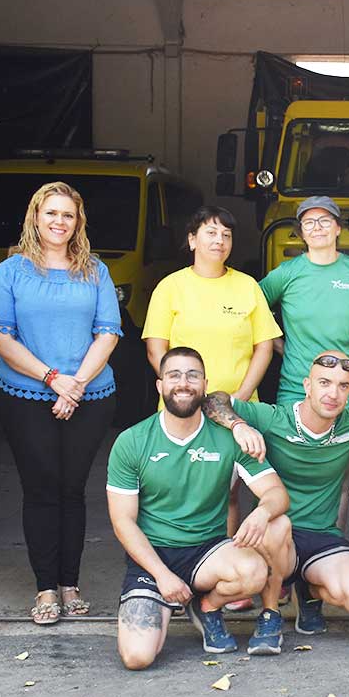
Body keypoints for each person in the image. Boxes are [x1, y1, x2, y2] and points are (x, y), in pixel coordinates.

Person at [106, 347, 296, 668]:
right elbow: (123, 522)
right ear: (160, 386)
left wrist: (262, 512)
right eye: (174, 375)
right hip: (153, 559)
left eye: (193, 375)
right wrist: (163, 576)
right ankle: (170, 597)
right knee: (137, 657)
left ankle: (206, 605)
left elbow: (277, 494)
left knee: (253, 571)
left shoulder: (229, 438)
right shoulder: (132, 441)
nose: (184, 383)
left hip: (206, 552)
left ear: (204, 384)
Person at [0, 182, 122, 625]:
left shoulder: (95, 270)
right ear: (35, 217)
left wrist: (76, 385)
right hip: (26, 395)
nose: (59, 222)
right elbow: (0, 336)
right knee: (42, 490)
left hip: (89, 395)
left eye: (68, 215)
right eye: (51, 213)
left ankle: (71, 583)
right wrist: (52, 379)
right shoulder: (11, 271)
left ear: (78, 221)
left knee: (72, 490)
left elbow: (108, 331)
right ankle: (46, 587)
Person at [201, 351, 349, 635]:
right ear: (307, 386)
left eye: (343, 386)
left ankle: (307, 592)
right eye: (324, 383)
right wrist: (239, 425)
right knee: (277, 525)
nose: (333, 393)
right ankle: (269, 614)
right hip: (276, 536)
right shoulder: (274, 417)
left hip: (322, 537)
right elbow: (212, 400)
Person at [144, 205, 283, 610]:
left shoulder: (246, 287)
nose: (218, 240)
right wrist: (185, 389)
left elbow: (263, 346)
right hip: (181, 408)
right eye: (209, 232)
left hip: (237, 409)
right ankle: (177, 567)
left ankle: (230, 572)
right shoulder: (170, 287)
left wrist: (237, 397)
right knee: (182, 486)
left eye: (225, 234)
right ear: (191, 240)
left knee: (231, 491)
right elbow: (157, 347)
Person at [260, 196, 349, 407]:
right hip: (298, 389)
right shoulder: (286, 273)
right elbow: (252, 307)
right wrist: (278, 344)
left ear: (338, 228)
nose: (317, 228)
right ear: (301, 232)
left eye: (325, 221)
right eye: (309, 223)